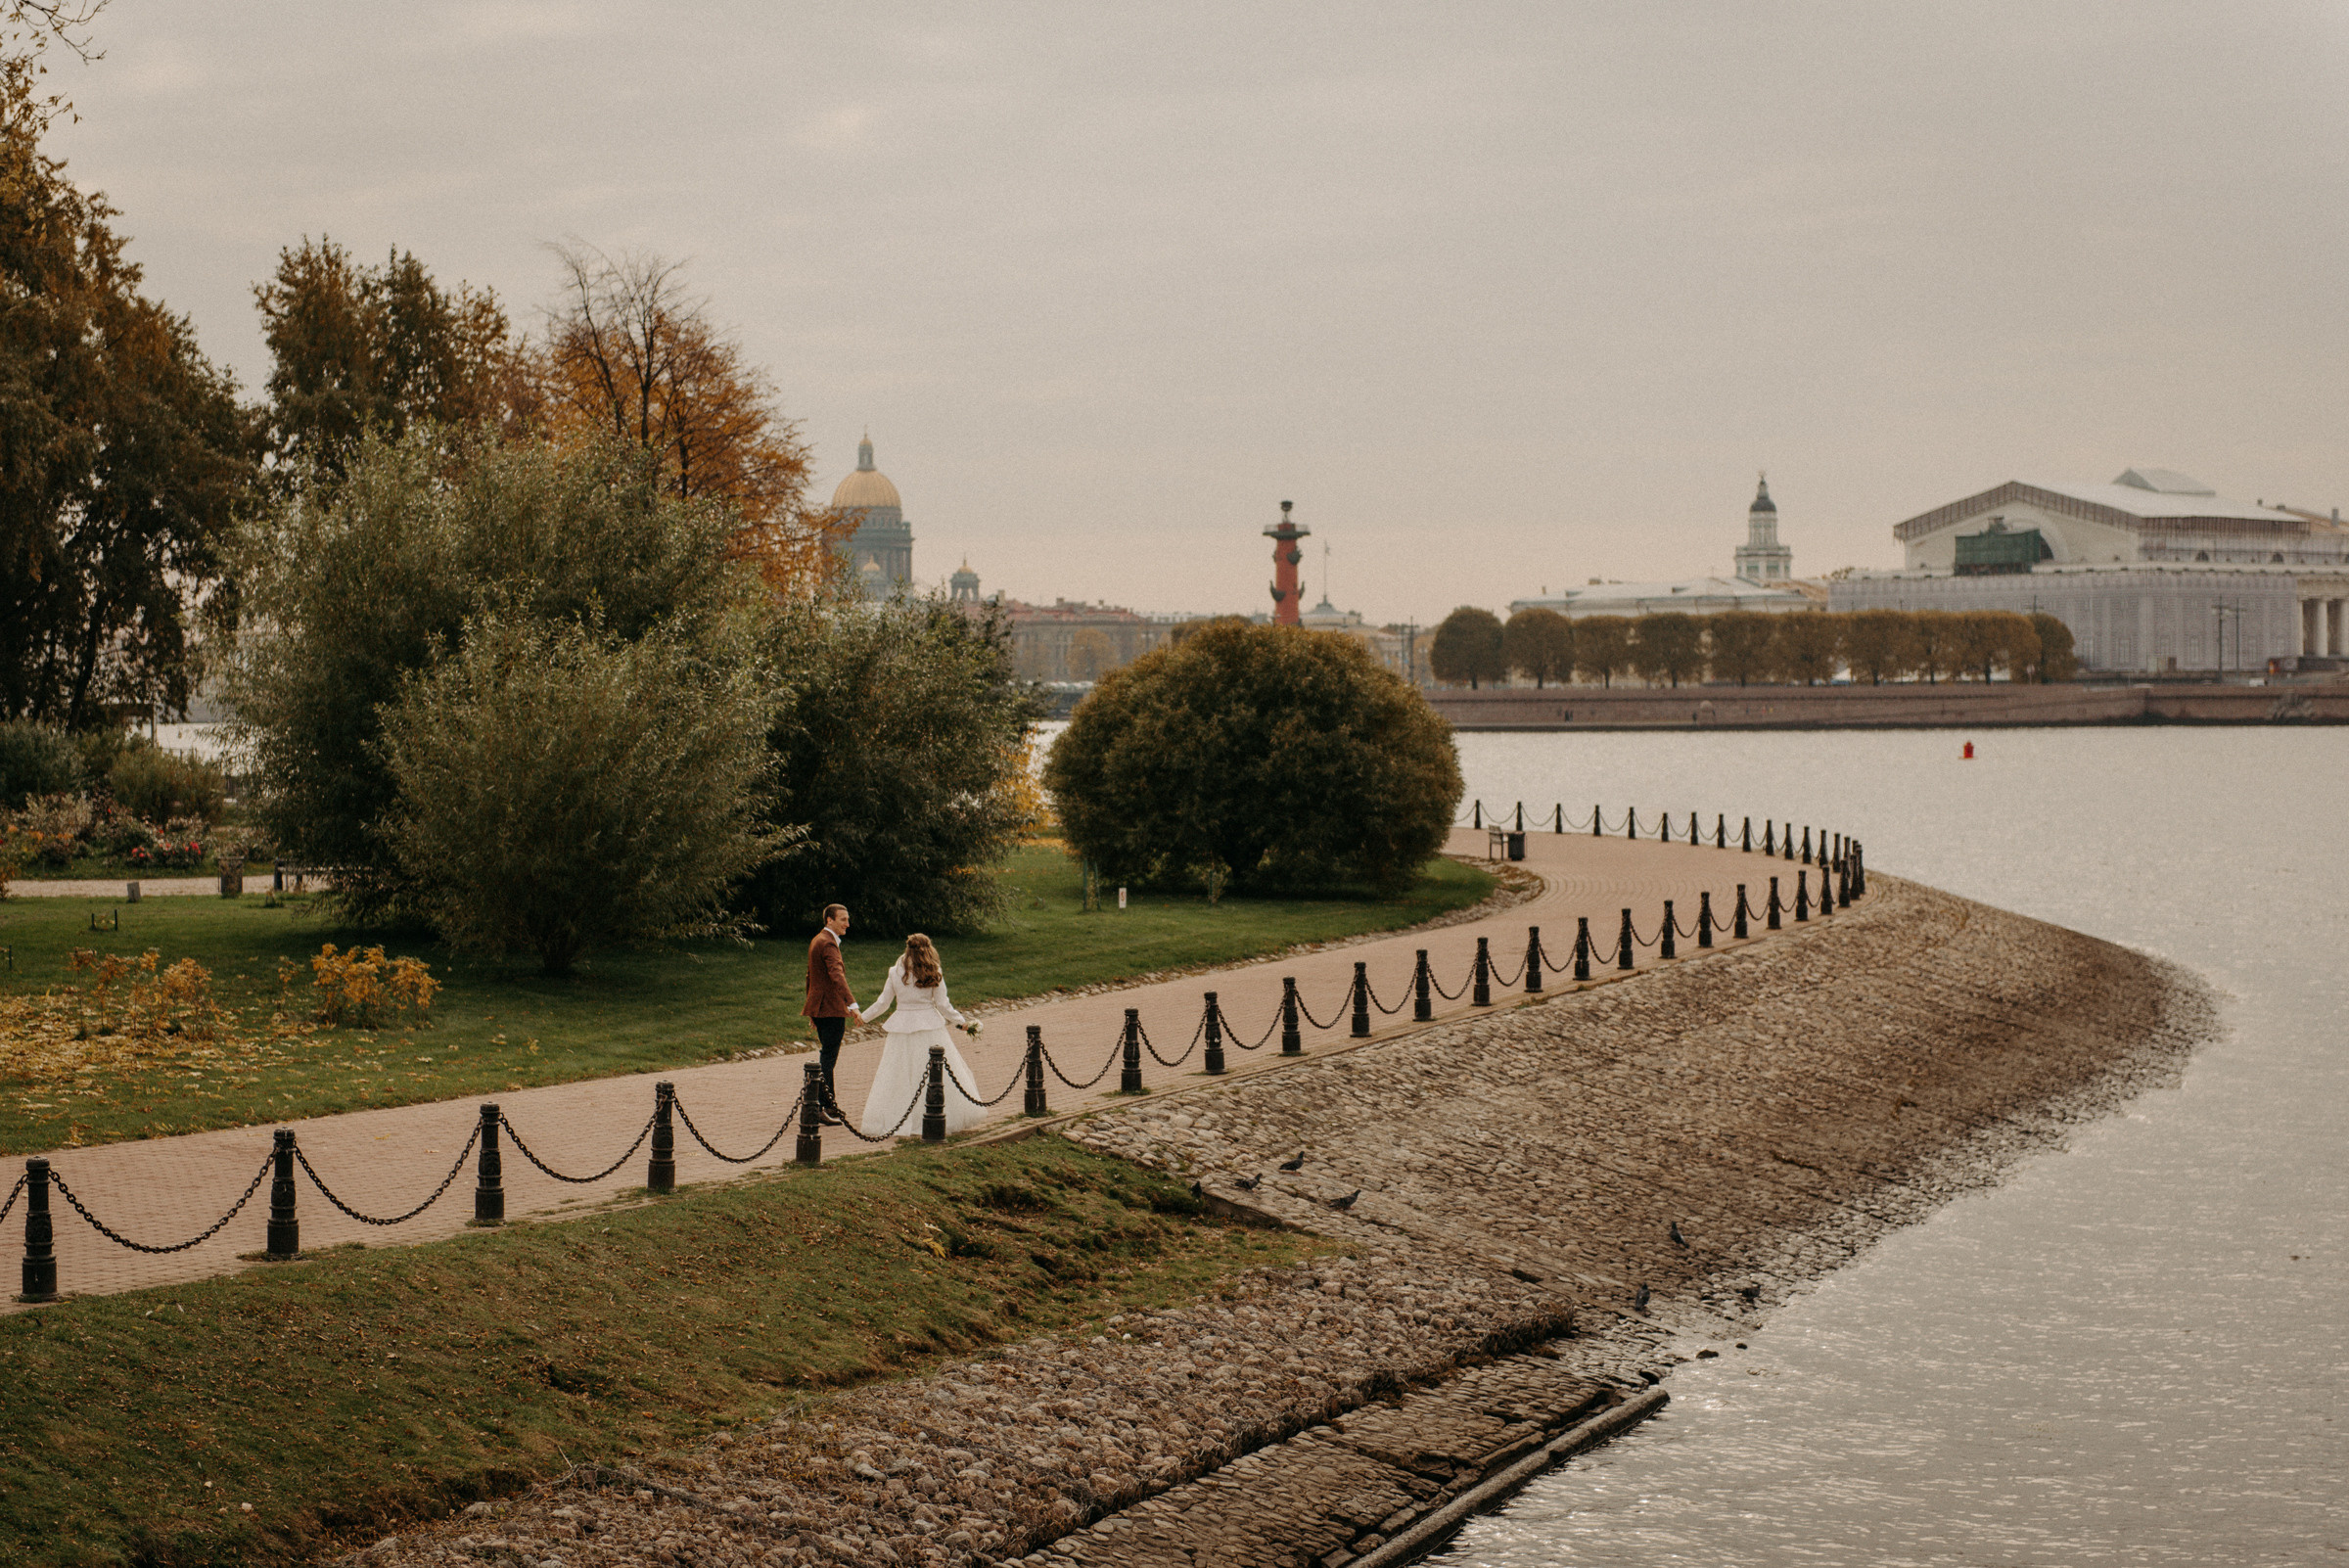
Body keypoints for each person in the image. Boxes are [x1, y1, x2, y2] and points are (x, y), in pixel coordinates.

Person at [856, 933, 986, 1138]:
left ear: (907, 949)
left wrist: (863, 1017)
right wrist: (962, 1023)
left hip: (902, 1027)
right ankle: (936, 1116)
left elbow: (883, 1002)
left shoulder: (894, 972)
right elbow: (944, 1005)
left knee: (899, 1075)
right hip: (930, 1026)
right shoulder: (934, 971)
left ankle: (901, 1118)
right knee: (936, 1073)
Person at [801, 903, 861, 1125]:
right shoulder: (827, 942)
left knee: (827, 1056)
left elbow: (810, 977)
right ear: (829, 920)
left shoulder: (818, 940)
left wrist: (812, 1010)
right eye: (843, 919)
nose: (847, 923)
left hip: (821, 1008)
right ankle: (821, 1107)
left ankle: (829, 1106)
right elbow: (836, 976)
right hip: (830, 1009)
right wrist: (852, 1004)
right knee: (828, 1058)